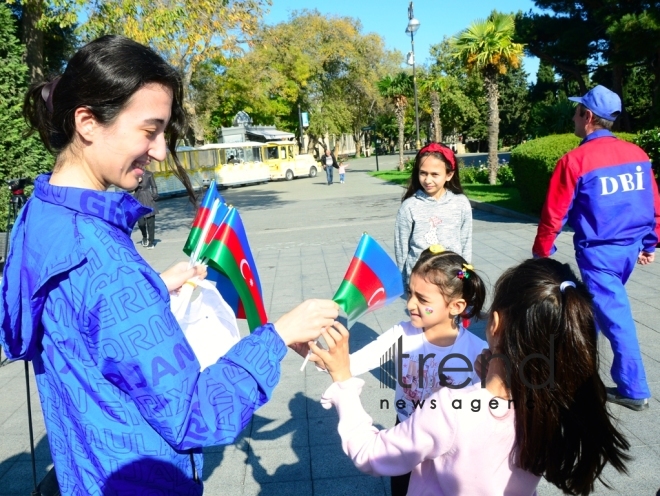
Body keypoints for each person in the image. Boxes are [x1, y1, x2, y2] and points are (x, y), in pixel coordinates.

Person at [0, 35, 339, 496]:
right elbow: (195, 415)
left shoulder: (39, 212)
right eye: (149, 130)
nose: (159, 150)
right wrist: (276, 336)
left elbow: (72, 321)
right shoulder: (107, 263)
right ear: (87, 122)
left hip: (83, 470)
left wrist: (154, 287)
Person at [312, 258, 631, 496]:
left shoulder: (449, 408)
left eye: (422, 299)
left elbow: (369, 455)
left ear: (494, 323)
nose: (411, 304)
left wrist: (343, 382)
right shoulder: (550, 406)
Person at [314, 246, 486, 496]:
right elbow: (350, 364)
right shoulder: (402, 334)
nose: (411, 304)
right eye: (410, 293)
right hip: (405, 432)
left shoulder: (478, 352)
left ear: (456, 306)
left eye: (423, 299)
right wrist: (315, 352)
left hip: (449, 445)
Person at [533, 84, 660, 411]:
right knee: (601, 310)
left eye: (577, 112)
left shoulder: (575, 161)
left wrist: (541, 252)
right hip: (629, 251)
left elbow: (554, 213)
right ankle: (578, 361)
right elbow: (652, 204)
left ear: (588, 116)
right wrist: (650, 243)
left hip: (599, 255)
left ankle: (634, 389)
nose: (573, 117)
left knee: (616, 318)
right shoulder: (638, 155)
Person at [395, 142, 472, 287]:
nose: (427, 180)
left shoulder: (461, 204)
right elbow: (401, 250)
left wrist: (465, 278)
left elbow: (466, 244)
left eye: (435, 174)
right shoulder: (409, 206)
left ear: (449, 175)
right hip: (420, 283)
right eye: (423, 173)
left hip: (451, 283)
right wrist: (406, 285)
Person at [133, 168, 159, 248]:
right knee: (141, 223)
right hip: (138, 199)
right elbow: (129, 189)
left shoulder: (149, 174)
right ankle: (144, 236)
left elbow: (154, 186)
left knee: (150, 223)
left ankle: (151, 241)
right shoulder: (133, 174)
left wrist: (154, 195)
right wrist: (136, 182)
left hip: (148, 198)